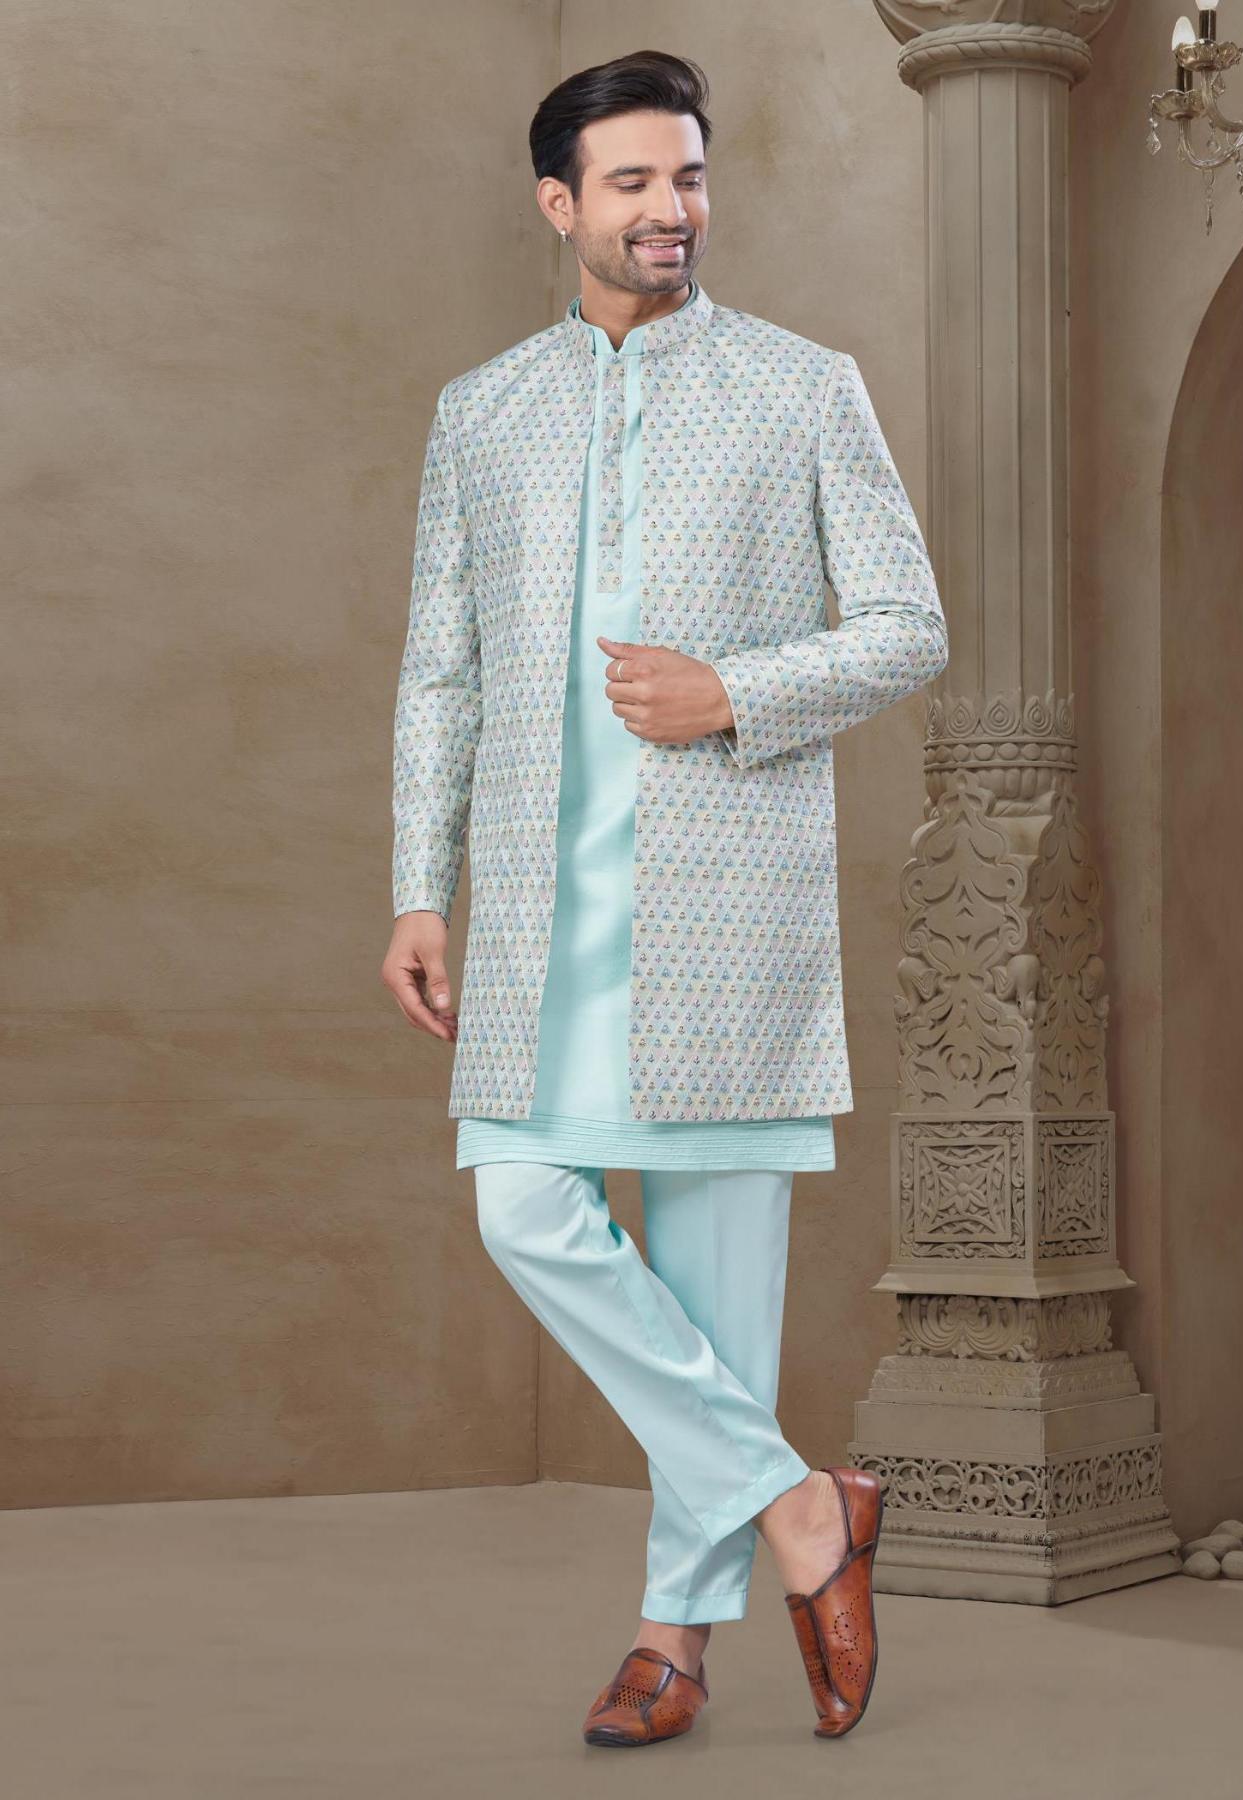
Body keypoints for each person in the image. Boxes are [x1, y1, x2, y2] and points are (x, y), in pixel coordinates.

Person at [381, 48, 947, 1746]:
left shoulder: (801, 387)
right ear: (559, 203)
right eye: (630, 183)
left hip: (730, 916)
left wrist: (734, 693)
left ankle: (671, 1646)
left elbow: (909, 628)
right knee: (524, 1207)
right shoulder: (483, 410)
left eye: (687, 176)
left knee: (716, 1299)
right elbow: (441, 675)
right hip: (541, 915)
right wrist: (418, 887)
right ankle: (801, 1508)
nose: (669, 210)